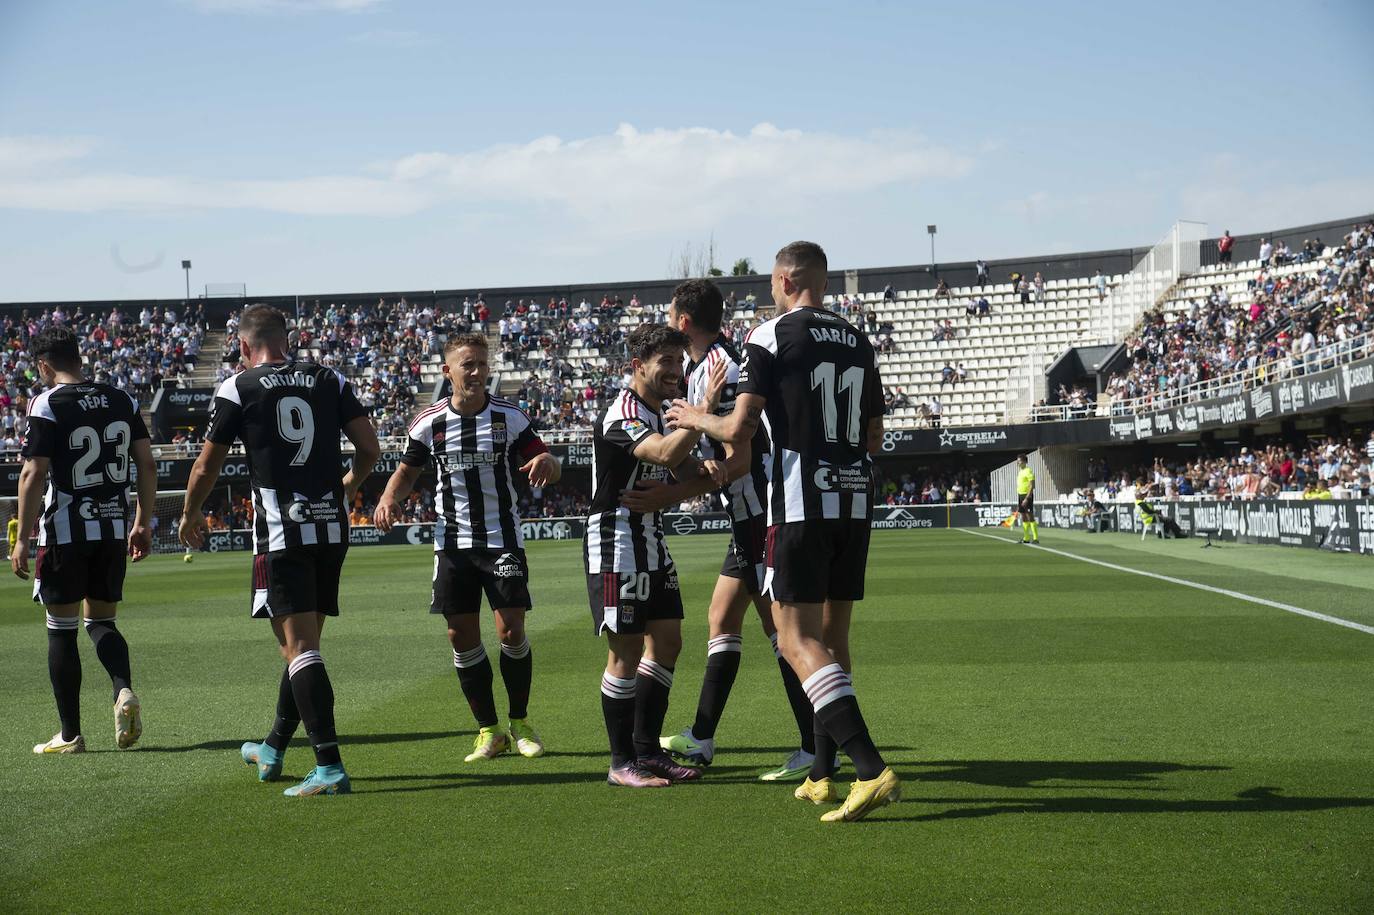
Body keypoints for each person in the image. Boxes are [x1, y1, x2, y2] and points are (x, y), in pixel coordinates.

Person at [667, 240, 899, 823]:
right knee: (833, 639)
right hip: (853, 499)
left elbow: (739, 428)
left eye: (772, 281)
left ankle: (870, 770)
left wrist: (694, 415)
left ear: (786, 278)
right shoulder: (858, 337)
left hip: (799, 503)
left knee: (796, 639)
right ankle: (823, 772)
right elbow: (873, 437)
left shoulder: (769, 336)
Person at [180, 305, 380, 797]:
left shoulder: (239, 387)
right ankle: (272, 748)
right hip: (331, 528)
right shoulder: (328, 378)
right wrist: (349, 486)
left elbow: (207, 468)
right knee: (300, 647)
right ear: (285, 338)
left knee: (301, 649)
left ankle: (329, 768)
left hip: (281, 532)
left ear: (244, 346)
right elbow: (371, 449)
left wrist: (188, 514)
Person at [628, 279, 820, 781]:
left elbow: (741, 457)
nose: (668, 323)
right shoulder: (700, 368)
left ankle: (814, 747)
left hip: (759, 513)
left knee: (782, 632)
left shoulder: (724, 367)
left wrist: (670, 494)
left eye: (670, 316)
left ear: (683, 321)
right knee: (720, 619)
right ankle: (703, 736)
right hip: (744, 517)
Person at [373, 334, 561, 762]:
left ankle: (520, 722)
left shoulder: (509, 417)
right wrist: (387, 499)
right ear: (448, 371)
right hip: (452, 545)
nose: (476, 372)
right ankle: (490, 731)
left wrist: (549, 463)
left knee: (511, 630)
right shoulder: (428, 422)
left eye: (481, 364)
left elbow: (547, 459)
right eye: (467, 365)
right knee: (461, 636)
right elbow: (406, 472)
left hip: (502, 540)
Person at [585, 324, 726, 788]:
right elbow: (666, 454)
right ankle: (621, 762)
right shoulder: (621, 413)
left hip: (652, 540)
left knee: (667, 642)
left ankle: (648, 752)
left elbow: (689, 475)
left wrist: (697, 476)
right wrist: (702, 413)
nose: (675, 371)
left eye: (679, 362)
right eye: (664, 362)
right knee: (625, 649)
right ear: (637, 367)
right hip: (615, 543)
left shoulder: (666, 411)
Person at [12, 326, 156, 755]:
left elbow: (33, 472)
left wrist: (22, 536)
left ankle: (70, 735)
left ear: (43, 365)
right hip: (112, 529)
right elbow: (146, 464)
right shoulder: (122, 399)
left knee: (62, 630)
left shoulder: (47, 401)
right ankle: (123, 689)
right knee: (102, 623)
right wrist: (142, 522)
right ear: (79, 356)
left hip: (66, 531)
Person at [1016, 454, 1039, 544]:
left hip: (1027, 495)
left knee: (1030, 515)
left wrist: (1027, 498)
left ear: (1025, 462)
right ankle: (1026, 538)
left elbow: (1032, 485)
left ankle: (1036, 538)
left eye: (1020, 461)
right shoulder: (1020, 472)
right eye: (1017, 461)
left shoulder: (1028, 471)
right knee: (1023, 516)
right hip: (1020, 495)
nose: (1018, 462)